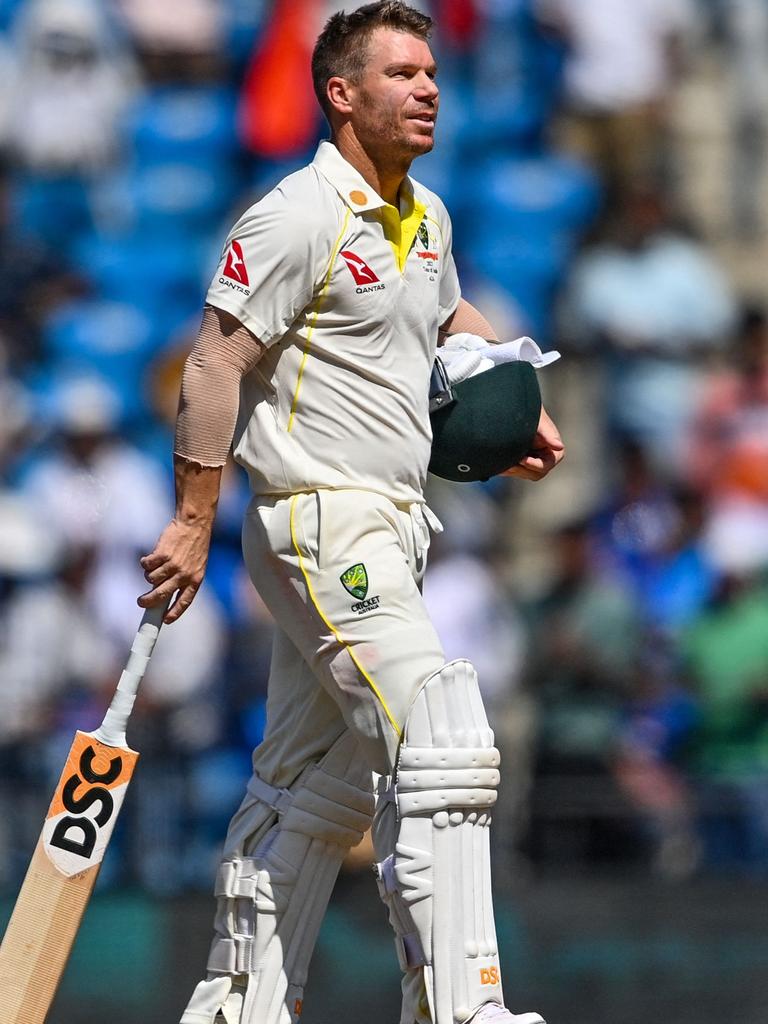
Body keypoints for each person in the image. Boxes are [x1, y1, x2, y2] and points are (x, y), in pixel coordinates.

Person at [139, 4, 564, 1024]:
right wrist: (194, 519)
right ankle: (464, 1007)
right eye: (403, 73)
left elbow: (445, 313)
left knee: (309, 784)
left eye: (433, 73)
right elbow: (214, 363)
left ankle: (237, 1004)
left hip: (392, 524)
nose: (428, 89)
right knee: (444, 740)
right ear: (342, 93)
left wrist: (516, 393)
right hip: (319, 516)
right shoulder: (297, 214)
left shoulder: (427, 215)